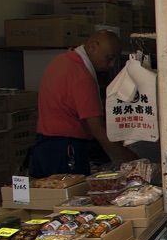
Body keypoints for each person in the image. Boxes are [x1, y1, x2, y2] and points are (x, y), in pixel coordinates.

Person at [31, 30, 137, 178]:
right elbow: (97, 128)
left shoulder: (61, 61)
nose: (111, 64)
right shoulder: (81, 75)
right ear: (93, 47)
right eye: (109, 58)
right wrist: (132, 162)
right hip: (66, 150)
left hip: (44, 146)